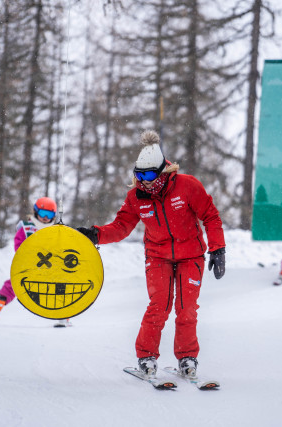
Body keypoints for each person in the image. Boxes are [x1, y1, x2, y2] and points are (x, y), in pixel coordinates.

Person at [76, 130, 226, 379]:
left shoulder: (187, 186)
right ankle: (146, 357)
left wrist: (218, 249)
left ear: (162, 170)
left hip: (191, 256)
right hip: (158, 257)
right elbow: (121, 227)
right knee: (159, 306)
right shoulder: (136, 197)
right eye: (139, 175)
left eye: (148, 175)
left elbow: (211, 216)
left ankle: (187, 357)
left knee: (186, 308)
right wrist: (94, 234)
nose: (144, 180)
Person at [0, 196, 71, 327]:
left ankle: (64, 313)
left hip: (50, 267)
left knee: (60, 285)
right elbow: (19, 246)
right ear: (36, 212)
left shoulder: (57, 230)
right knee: (13, 284)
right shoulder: (26, 228)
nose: (45, 217)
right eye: (42, 213)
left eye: (49, 214)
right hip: (30, 266)